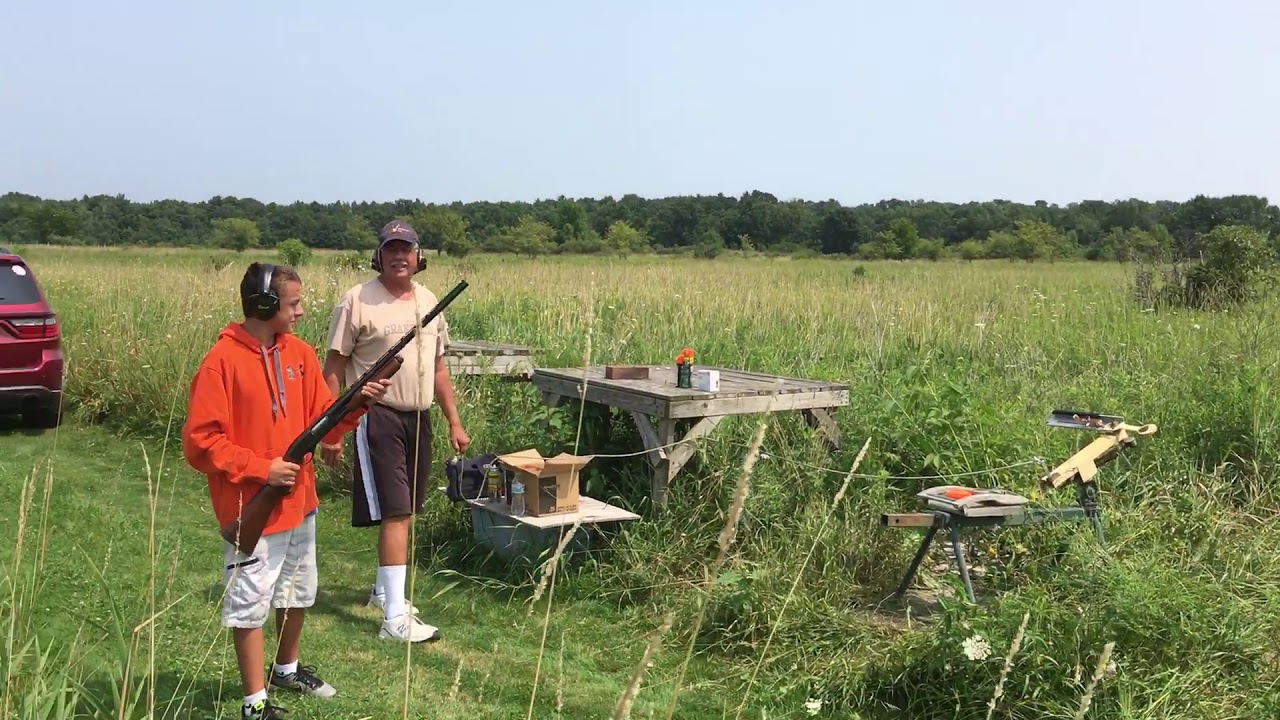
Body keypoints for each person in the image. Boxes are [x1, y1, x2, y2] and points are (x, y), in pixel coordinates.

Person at [182, 262, 392, 720]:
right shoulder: (221, 361)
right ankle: (255, 703)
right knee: (250, 604)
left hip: (302, 503)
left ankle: (287, 668)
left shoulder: (298, 353)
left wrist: (359, 403)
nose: (301, 311)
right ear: (264, 305)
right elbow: (200, 443)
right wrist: (263, 469)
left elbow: (322, 420)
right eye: (293, 303)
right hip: (252, 506)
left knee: (297, 591)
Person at [320, 219, 469, 643]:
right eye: (390, 249)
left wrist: (453, 421)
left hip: (418, 417)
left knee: (407, 509)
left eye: (406, 249)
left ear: (419, 256)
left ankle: (384, 591)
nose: (399, 256)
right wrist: (332, 426)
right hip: (376, 415)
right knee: (396, 511)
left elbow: (439, 367)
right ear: (379, 256)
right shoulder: (357, 301)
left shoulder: (429, 300)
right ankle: (394, 620)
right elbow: (333, 368)